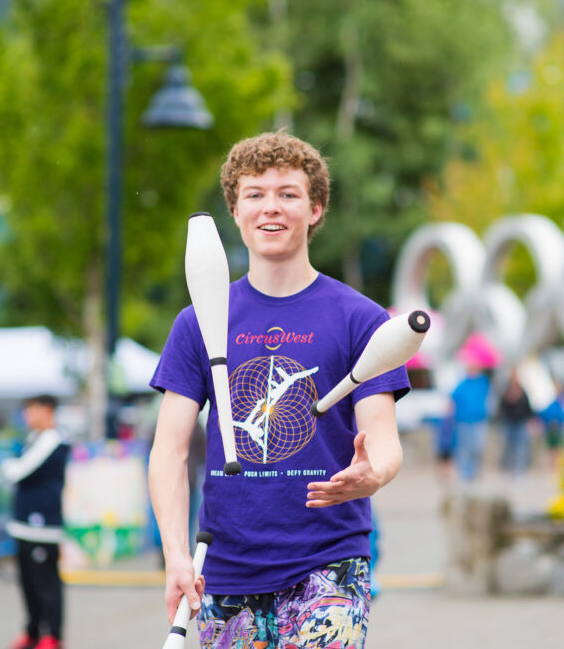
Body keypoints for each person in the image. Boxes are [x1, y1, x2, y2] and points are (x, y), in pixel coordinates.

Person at [148, 131, 410, 648]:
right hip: (224, 568)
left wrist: (373, 474)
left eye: (287, 194)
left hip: (328, 562)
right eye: (255, 194)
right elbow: (170, 451)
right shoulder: (197, 322)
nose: (272, 208)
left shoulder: (360, 319)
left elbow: (384, 440)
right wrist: (175, 554)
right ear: (235, 209)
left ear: (314, 209)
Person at [3, 394, 71, 649]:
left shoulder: (54, 439)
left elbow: (17, 471)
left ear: (48, 410)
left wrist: (8, 464)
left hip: (44, 527)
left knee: (46, 584)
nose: (27, 416)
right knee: (27, 583)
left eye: (32, 409)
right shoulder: (33, 439)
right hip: (22, 525)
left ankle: (52, 634)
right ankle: (32, 631)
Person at [449, 359, 491, 482]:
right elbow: (453, 399)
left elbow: (489, 399)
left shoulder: (483, 382)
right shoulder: (462, 383)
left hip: (479, 419)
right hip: (463, 419)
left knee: (477, 448)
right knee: (464, 448)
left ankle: (475, 471)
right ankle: (464, 474)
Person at [497, 368, 533, 477]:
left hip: (521, 421)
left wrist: (529, 419)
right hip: (509, 421)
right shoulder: (505, 390)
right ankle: (509, 469)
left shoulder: (523, 390)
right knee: (509, 447)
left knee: (521, 447)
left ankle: (520, 470)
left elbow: (528, 407)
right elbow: (501, 407)